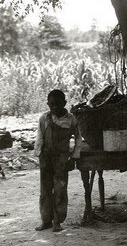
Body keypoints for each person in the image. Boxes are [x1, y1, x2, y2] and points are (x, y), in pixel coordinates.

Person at [34, 90, 82, 232]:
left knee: (60, 189)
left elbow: (78, 139)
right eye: (52, 104)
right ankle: (46, 220)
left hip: (61, 159)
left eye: (58, 104)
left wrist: (74, 157)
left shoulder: (71, 119)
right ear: (48, 104)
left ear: (64, 103)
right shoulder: (44, 118)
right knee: (45, 190)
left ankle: (58, 221)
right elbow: (39, 137)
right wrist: (39, 154)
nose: (54, 107)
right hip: (46, 158)